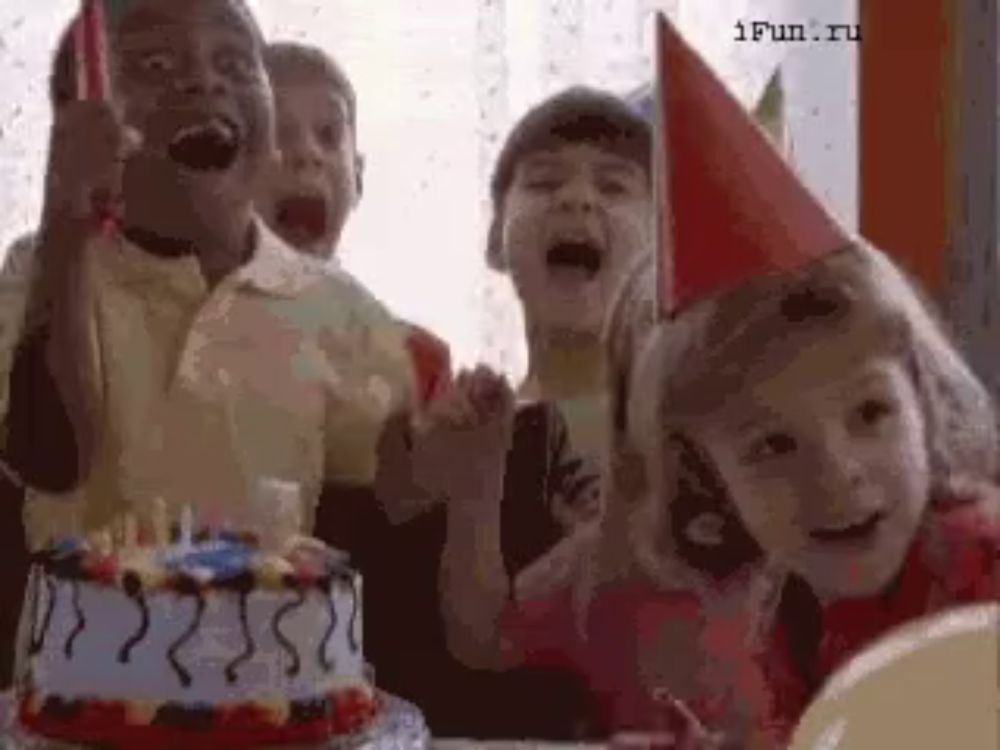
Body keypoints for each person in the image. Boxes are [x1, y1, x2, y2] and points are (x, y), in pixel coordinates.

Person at [436, 16, 1000, 746]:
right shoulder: (791, 612)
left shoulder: (977, 568)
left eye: (870, 413)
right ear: (705, 483)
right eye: (773, 446)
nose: (837, 473)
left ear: (921, 403)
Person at [1, 0, 416, 555]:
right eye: (154, 67)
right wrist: (65, 234)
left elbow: (373, 541)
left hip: (277, 640)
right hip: (84, 639)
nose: (204, 81)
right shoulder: (42, 271)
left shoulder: (344, 313)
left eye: (238, 65)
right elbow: (50, 459)